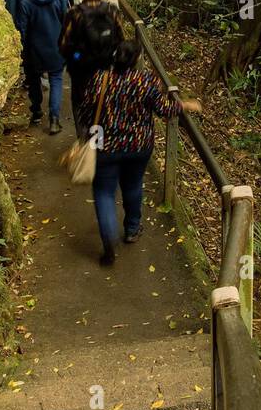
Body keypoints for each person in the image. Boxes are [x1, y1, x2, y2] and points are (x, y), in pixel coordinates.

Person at [81, 40, 202, 266]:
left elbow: (86, 110)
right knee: (133, 185)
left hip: (105, 146)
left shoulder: (100, 79)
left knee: (104, 191)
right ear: (136, 60)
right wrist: (185, 105)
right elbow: (164, 110)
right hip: (138, 146)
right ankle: (132, 229)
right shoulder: (145, 81)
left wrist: (86, 135)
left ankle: (109, 238)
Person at [58, 0, 124, 136]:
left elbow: (64, 43)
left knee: (79, 103)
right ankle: (98, 143)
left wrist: (75, 56)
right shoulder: (112, 11)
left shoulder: (74, 13)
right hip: (105, 66)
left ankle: (83, 140)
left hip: (80, 68)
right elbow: (120, 39)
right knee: (101, 105)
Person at [18, 0, 68, 133]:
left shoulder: (26, 4)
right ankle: (54, 119)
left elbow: (23, 29)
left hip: (34, 50)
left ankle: (37, 111)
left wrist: (25, 50)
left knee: (34, 80)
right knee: (56, 80)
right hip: (55, 47)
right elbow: (65, 21)